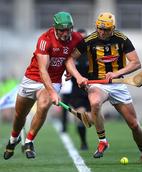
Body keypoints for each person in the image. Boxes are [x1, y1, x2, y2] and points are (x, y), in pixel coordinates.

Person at [66, 12, 142, 164]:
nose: (102, 32)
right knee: (94, 102)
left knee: (134, 124)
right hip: (98, 84)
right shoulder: (89, 41)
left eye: (106, 29)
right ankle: (103, 140)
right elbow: (69, 60)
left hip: (118, 85)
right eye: (100, 28)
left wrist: (116, 73)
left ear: (113, 28)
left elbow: (136, 63)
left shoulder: (122, 39)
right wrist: (78, 76)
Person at [3, 11, 87, 160]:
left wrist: (72, 69)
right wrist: (53, 93)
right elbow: (43, 70)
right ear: (55, 28)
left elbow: (73, 56)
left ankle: (29, 141)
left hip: (54, 80)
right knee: (19, 114)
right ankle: (13, 138)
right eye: (62, 30)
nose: (66, 33)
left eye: (68, 29)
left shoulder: (77, 38)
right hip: (32, 79)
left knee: (43, 105)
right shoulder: (45, 40)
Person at [61, 29, 90, 150]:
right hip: (77, 91)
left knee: (93, 118)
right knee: (81, 116)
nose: (82, 41)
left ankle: (102, 141)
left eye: (84, 38)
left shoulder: (91, 53)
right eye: (80, 38)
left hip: (92, 90)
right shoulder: (71, 55)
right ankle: (83, 142)